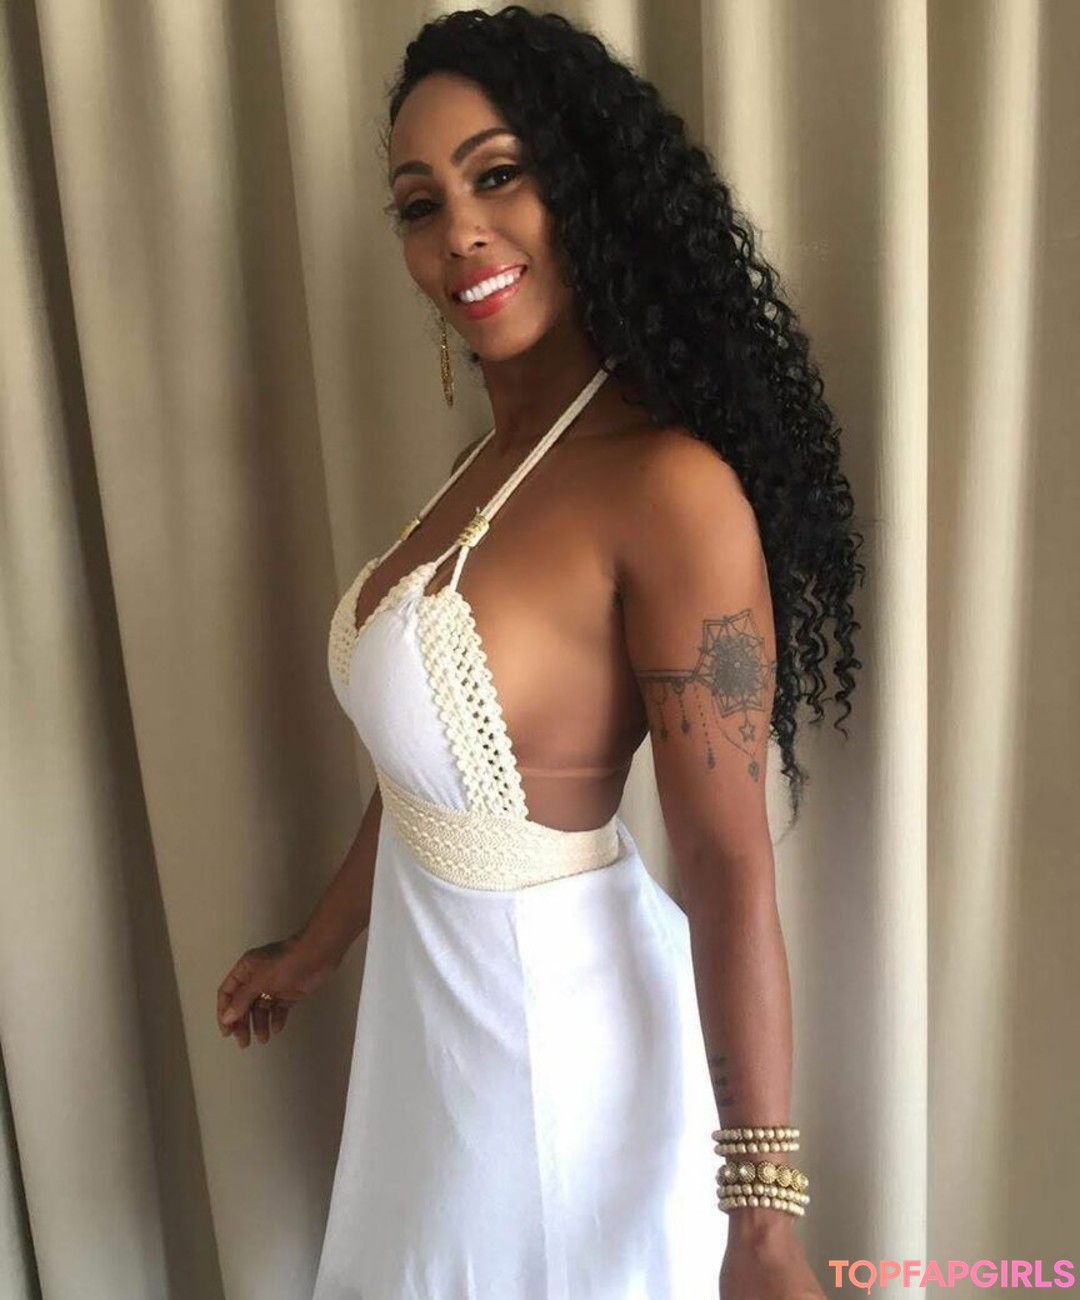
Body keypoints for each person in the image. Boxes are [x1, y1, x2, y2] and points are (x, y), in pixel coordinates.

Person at [216, 7, 864, 1297]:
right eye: (421, 203)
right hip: (431, 1036)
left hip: (551, 1057)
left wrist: (762, 1219)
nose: (459, 231)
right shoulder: (485, 466)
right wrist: (317, 949)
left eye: (499, 174)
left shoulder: (668, 489)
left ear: (585, 190)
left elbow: (730, 866)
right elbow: (430, 776)